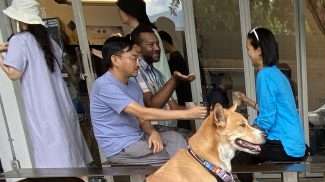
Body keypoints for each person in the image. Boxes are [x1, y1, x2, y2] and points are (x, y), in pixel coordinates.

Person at [0, 0, 91, 169]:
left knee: (52, 151)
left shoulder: (20, 40)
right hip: (60, 102)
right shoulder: (47, 39)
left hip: (41, 105)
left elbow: (14, 74)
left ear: (20, 19)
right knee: (69, 146)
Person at [89, 36, 206, 165]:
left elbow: (142, 118)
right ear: (115, 60)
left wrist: (152, 132)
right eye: (134, 58)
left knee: (177, 139)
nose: (138, 64)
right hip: (121, 148)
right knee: (179, 156)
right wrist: (187, 114)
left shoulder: (132, 82)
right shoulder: (104, 85)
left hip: (139, 137)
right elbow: (143, 112)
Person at [232, 27, 306, 182]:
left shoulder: (264, 75)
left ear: (259, 50)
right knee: (248, 147)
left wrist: (244, 133)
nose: (248, 53)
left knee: (238, 151)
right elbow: (271, 110)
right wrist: (247, 101)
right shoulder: (277, 73)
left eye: (249, 48)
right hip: (294, 143)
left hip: (286, 146)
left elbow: (267, 118)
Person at [131, 24, 194, 129]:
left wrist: (201, 110)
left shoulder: (157, 74)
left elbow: (173, 107)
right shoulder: (136, 72)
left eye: (157, 44)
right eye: (151, 45)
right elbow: (152, 106)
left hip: (169, 130)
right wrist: (174, 80)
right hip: (152, 134)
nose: (157, 48)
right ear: (137, 48)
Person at [116, 0, 171, 84]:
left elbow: (156, 63)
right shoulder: (134, 33)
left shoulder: (149, 33)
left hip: (156, 83)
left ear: (129, 11)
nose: (119, 13)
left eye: (120, 10)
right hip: (147, 83)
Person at [158, 30, 192, 106]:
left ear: (163, 42)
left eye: (158, 44)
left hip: (182, 99)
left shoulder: (175, 59)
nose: (157, 48)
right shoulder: (177, 57)